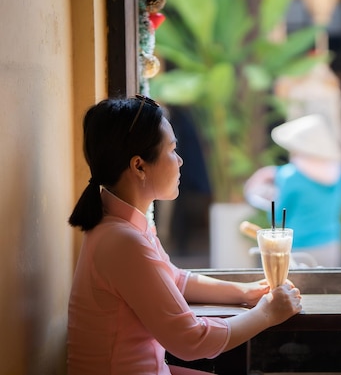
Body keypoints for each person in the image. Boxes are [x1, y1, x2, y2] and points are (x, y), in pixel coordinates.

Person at [67, 96, 302, 375]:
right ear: (139, 166)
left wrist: (247, 292)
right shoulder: (122, 239)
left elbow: (173, 278)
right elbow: (190, 340)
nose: (180, 160)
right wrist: (267, 313)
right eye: (172, 149)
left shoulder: (121, 223)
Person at [244, 114, 341, 267]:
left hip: (300, 247)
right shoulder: (337, 171)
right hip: (331, 244)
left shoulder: (290, 176)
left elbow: (278, 216)